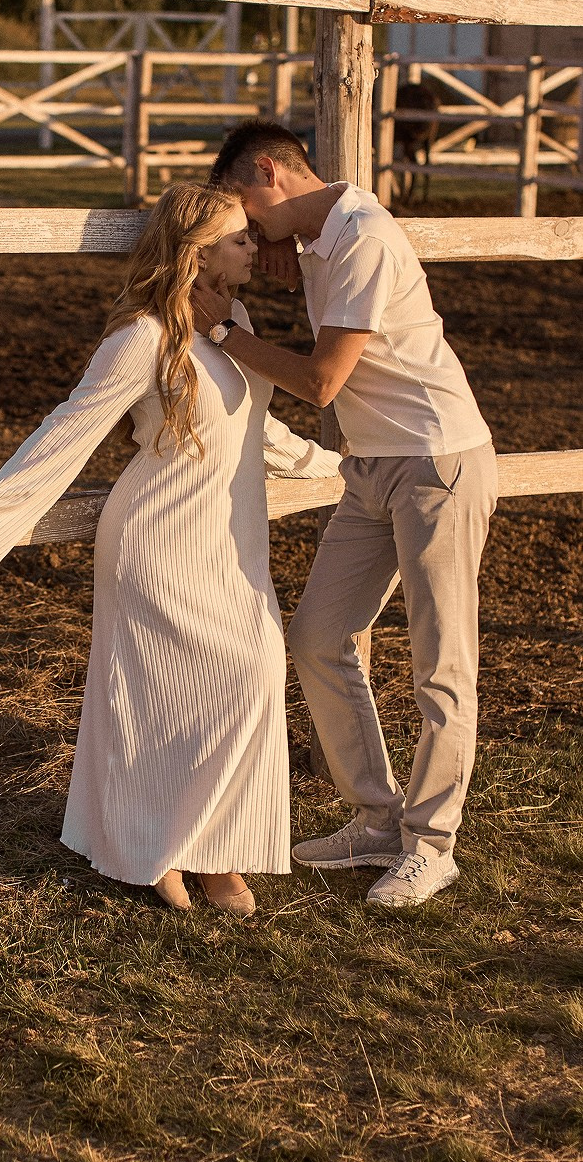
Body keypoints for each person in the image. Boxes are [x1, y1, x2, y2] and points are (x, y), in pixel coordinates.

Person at [0, 182, 341, 916]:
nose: (256, 248)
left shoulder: (235, 320)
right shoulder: (142, 336)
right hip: (158, 537)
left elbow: (255, 430)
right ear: (197, 253)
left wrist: (340, 469)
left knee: (248, 680)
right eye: (241, 239)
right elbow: (72, 425)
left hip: (230, 538)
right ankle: (155, 851)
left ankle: (214, 850)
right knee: (157, 703)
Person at [195, 120, 497, 909]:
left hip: (435, 462)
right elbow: (288, 241)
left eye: (245, 210)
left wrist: (220, 331)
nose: (247, 230)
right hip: (370, 468)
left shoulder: (362, 237)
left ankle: (431, 847)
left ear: (270, 170)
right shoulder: (319, 235)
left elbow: (323, 382)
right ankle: (375, 818)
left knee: (440, 664)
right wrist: (274, 245)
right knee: (318, 637)